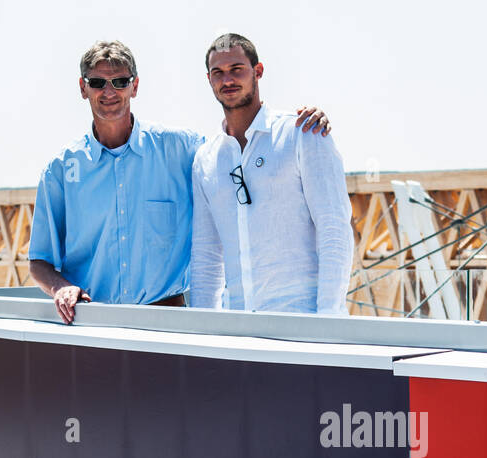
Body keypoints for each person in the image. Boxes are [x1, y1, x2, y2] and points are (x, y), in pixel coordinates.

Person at [29, 40, 332, 324]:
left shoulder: (182, 150)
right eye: (97, 82)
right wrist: (60, 288)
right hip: (93, 328)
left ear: (134, 86)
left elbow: (239, 151)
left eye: (120, 81)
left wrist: (291, 127)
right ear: (83, 88)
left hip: (168, 327)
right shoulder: (60, 171)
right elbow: (39, 261)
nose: (109, 91)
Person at [189, 34, 354, 316]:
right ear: (209, 80)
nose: (227, 79)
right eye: (218, 73)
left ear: (258, 71)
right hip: (237, 327)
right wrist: (203, 332)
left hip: (302, 321)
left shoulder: (303, 133)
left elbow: (334, 228)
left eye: (236, 69)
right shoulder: (205, 159)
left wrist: (328, 320)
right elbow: (206, 255)